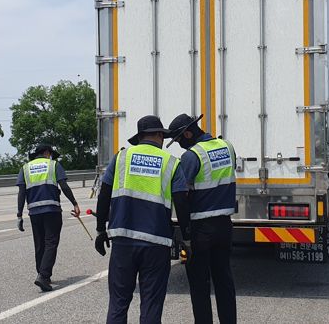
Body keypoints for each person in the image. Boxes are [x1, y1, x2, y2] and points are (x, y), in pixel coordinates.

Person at [94, 115, 191, 324]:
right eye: (163, 136)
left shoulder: (120, 158)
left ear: (140, 137)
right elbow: (182, 204)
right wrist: (187, 237)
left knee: (118, 303)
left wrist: (101, 229)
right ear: (158, 135)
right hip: (156, 244)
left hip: (123, 241)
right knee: (151, 305)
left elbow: (104, 195)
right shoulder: (171, 162)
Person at [167, 113, 237, 324]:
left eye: (179, 140)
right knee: (224, 280)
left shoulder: (192, 156)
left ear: (188, 133)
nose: (180, 145)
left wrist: (186, 234)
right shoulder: (227, 146)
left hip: (200, 228)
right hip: (225, 225)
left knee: (199, 284)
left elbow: (181, 194)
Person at [16, 144, 81, 292]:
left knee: (39, 244)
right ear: (46, 152)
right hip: (52, 210)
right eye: (50, 154)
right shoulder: (54, 165)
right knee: (51, 242)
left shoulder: (25, 168)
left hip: (34, 212)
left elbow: (21, 193)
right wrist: (75, 203)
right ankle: (43, 276)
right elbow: (63, 186)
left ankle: (42, 273)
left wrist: (19, 215)